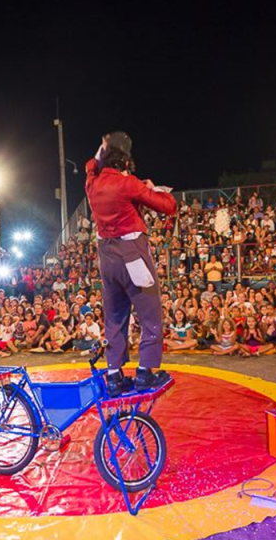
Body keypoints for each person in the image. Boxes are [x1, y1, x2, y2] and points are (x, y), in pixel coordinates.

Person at [86, 131, 176, 396]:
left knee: (114, 317)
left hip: (106, 257)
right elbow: (168, 206)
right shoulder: (129, 184)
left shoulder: (91, 183)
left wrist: (102, 148)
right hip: (132, 252)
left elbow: (90, 165)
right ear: (125, 160)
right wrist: (150, 188)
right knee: (150, 315)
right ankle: (145, 373)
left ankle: (113, 376)